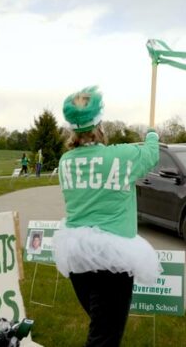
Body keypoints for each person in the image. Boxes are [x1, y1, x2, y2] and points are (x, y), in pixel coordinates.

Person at [53, 86, 161, 347]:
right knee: (105, 336)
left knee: (101, 324)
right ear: (99, 126)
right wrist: (152, 134)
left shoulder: (65, 161)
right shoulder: (121, 156)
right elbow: (151, 154)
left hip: (77, 254)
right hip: (113, 259)